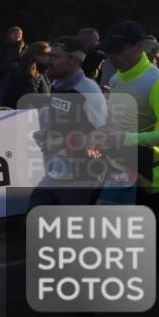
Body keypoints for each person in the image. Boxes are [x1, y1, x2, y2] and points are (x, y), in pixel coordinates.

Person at [97, 21, 159, 317]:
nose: (112, 56)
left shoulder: (156, 81)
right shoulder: (114, 78)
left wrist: (129, 137)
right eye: (109, 51)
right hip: (121, 171)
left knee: (155, 250)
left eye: (118, 50)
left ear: (139, 47)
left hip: (152, 178)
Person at [27, 36, 107, 208]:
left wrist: (62, 143)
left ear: (73, 60)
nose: (48, 61)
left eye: (55, 57)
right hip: (58, 169)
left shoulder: (88, 91)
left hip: (83, 175)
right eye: (49, 56)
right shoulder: (57, 85)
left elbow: (101, 136)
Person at [0, 41, 50, 108]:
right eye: (46, 54)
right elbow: (31, 96)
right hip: (19, 112)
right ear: (35, 55)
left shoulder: (41, 70)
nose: (49, 57)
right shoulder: (25, 71)